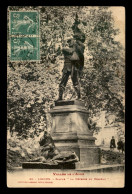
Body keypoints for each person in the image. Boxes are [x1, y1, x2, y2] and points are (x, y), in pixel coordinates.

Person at [57, 36, 85, 100]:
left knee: (75, 82)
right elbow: (71, 51)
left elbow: (81, 54)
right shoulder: (65, 49)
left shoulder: (76, 50)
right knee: (62, 83)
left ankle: (79, 97)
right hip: (66, 67)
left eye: (70, 41)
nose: (69, 43)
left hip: (74, 67)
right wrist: (76, 46)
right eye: (68, 42)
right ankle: (60, 97)